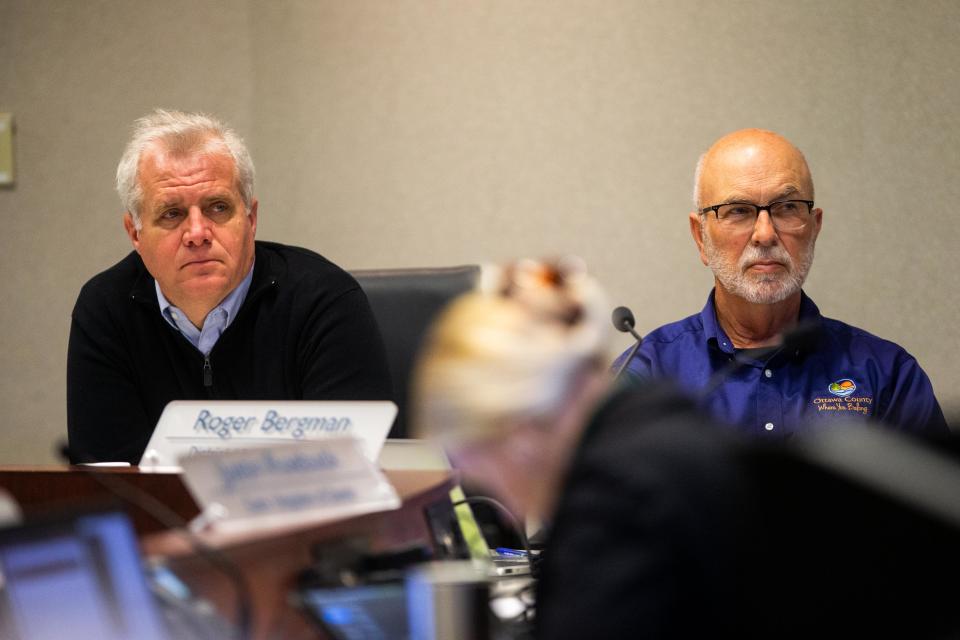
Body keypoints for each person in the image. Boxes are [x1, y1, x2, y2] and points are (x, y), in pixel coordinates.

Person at [412, 258, 960, 639]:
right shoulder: (662, 426)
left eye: (471, 465)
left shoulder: (613, 499)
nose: (488, 491)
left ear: (518, 431)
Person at [67, 109, 391, 463]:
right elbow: (110, 483)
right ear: (136, 234)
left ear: (251, 220)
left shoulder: (324, 300)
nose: (197, 233)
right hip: (166, 520)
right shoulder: (105, 310)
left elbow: (349, 471)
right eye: (171, 214)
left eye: (218, 207)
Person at [616, 128, 947, 436]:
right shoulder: (645, 375)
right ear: (700, 237)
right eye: (738, 211)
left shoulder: (886, 376)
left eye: (787, 207)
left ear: (814, 228)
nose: (765, 234)